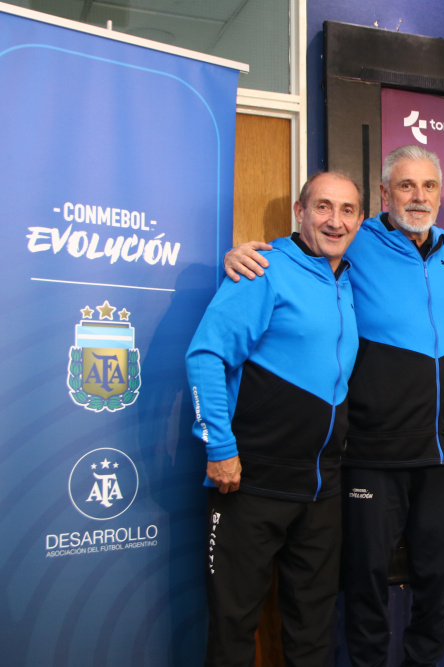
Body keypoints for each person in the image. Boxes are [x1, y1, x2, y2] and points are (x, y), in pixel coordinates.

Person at [224, 145, 444, 667]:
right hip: (371, 451)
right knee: (365, 579)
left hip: (440, 452)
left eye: (428, 186)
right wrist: (241, 256)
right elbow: (303, 256)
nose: (418, 197)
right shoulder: (357, 241)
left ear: (439, 194)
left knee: (440, 575)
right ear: (384, 193)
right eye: (405, 185)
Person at [187, 171, 361, 666]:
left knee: (313, 631)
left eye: (347, 210)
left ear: (360, 221)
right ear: (299, 212)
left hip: (321, 490)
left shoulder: (348, 278)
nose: (335, 220)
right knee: (233, 628)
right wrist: (220, 448)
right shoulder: (263, 269)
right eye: (323, 207)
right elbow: (205, 356)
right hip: (251, 482)